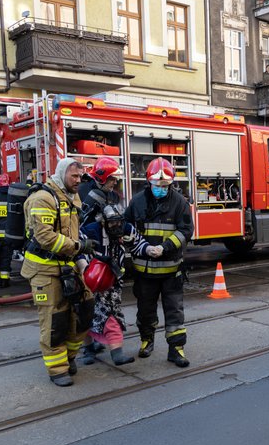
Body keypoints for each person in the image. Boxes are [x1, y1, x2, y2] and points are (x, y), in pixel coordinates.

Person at [21, 158, 97, 387]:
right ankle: (57, 369)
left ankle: (70, 357)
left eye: (80, 176)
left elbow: (73, 232)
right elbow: (44, 237)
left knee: (85, 310)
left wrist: (80, 258)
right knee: (55, 319)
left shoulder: (71, 196)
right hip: (44, 269)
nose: (78, 180)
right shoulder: (43, 198)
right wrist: (77, 248)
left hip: (69, 266)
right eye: (74, 176)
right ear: (62, 173)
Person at [124, 157, 194, 368]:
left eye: (165, 186)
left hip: (171, 270)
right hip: (144, 271)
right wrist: (143, 247)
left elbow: (186, 231)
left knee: (174, 311)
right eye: (157, 185)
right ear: (149, 182)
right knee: (145, 311)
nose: (161, 189)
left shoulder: (179, 202)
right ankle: (147, 341)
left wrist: (165, 247)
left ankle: (176, 349)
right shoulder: (137, 202)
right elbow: (126, 228)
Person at [78, 157, 139, 366]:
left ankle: (102, 348)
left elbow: (127, 230)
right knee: (87, 310)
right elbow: (80, 233)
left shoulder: (111, 197)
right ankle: (91, 349)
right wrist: (84, 262)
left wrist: (142, 244)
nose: (115, 183)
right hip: (93, 265)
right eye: (112, 179)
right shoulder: (90, 200)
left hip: (111, 266)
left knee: (108, 309)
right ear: (102, 177)